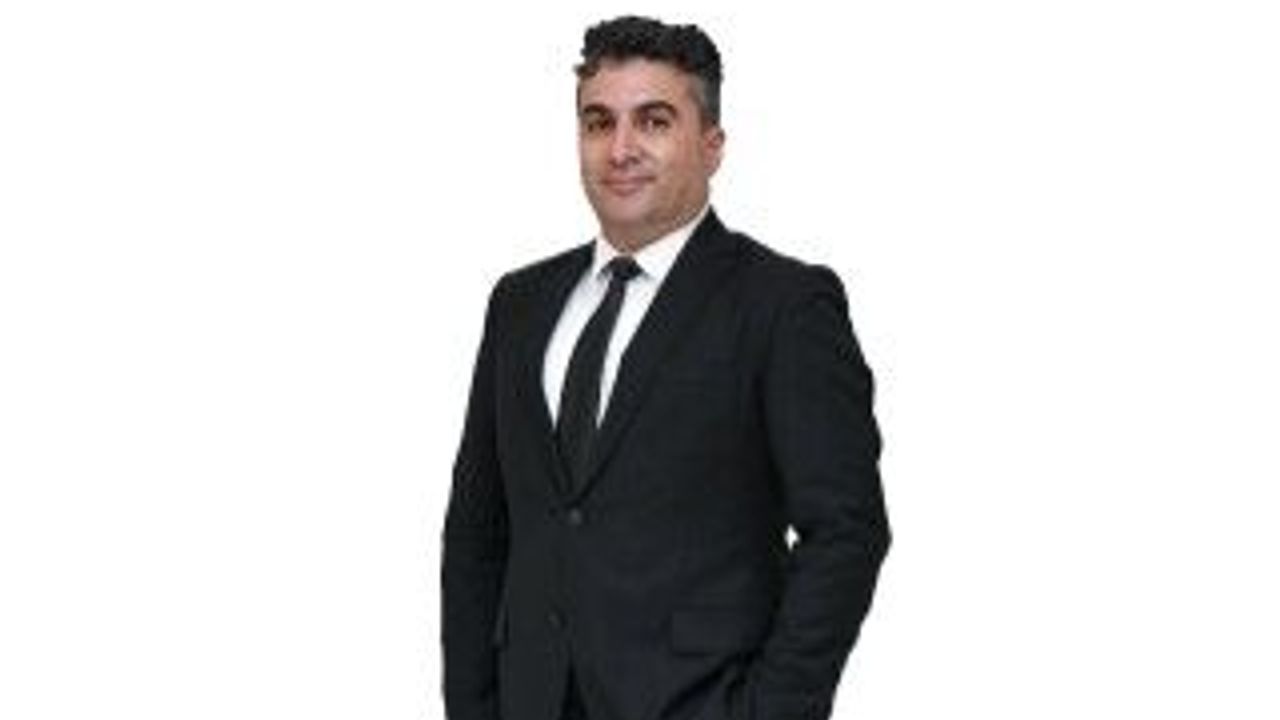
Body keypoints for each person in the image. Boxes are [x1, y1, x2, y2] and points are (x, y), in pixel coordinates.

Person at [442, 15, 890, 720]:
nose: (620, 149)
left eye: (653, 121)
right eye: (598, 123)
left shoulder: (783, 305)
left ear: (712, 146)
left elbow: (847, 530)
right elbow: (478, 531)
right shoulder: (520, 304)